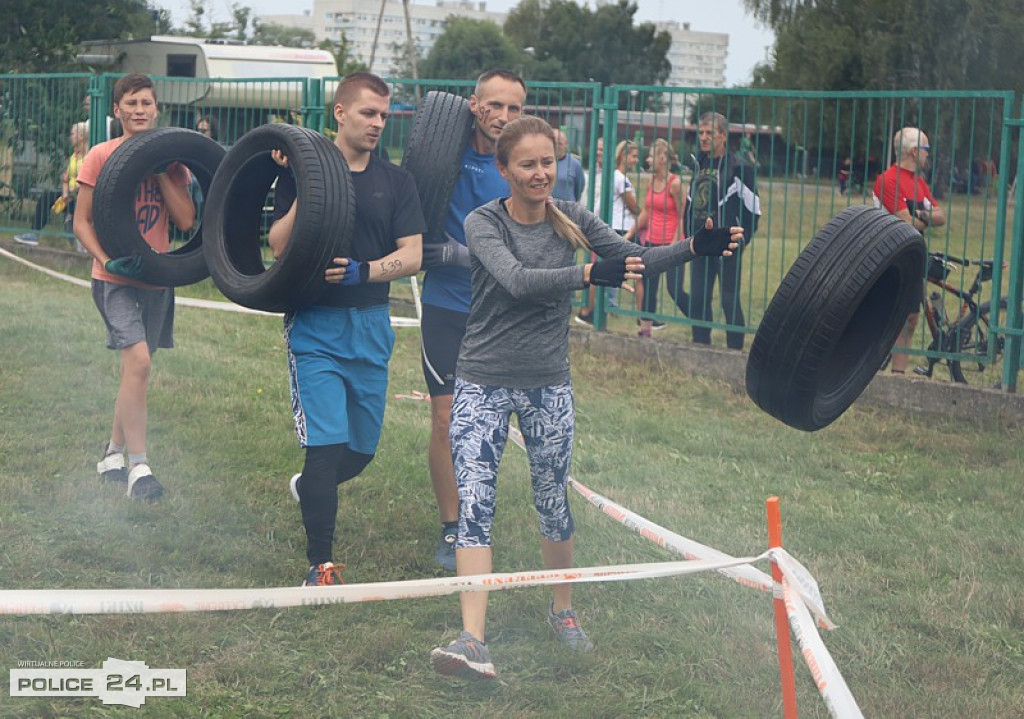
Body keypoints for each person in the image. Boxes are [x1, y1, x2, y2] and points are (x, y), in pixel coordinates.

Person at [428, 116, 743, 680]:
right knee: (476, 503)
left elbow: (630, 257)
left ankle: (563, 611)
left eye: (547, 161)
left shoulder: (573, 218)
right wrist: (589, 274)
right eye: (526, 164)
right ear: (504, 170)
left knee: (552, 498)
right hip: (482, 380)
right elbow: (517, 280)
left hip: (548, 382)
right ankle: (473, 639)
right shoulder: (483, 222)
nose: (540, 173)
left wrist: (696, 247)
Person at [269, 72, 424, 587]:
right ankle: (320, 565)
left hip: (372, 325)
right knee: (327, 446)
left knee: (360, 451)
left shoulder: (396, 181)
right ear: (340, 112)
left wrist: (367, 270)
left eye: (384, 115)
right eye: (367, 113)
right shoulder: (299, 169)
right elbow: (277, 244)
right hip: (316, 325)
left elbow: (413, 255)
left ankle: (311, 488)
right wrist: (305, 184)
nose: (378, 123)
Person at [417, 69, 526, 572]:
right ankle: (451, 524)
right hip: (445, 306)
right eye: (494, 105)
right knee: (444, 419)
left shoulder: (523, 168)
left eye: (514, 108)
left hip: (498, 314)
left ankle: (477, 518)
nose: (503, 117)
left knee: (485, 429)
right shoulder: (444, 159)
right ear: (472, 105)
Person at [74, 73, 196, 501]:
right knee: (140, 364)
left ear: (156, 108)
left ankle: (112, 454)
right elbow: (81, 221)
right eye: (131, 102)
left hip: (157, 279)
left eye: (147, 102)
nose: (140, 109)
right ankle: (140, 468)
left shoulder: (172, 161)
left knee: (135, 371)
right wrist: (106, 259)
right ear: (117, 110)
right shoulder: (100, 156)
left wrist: (161, 170)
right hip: (114, 279)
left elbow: (185, 221)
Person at [872, 126, 946, 375]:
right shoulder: (888, 180)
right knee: (886, 316)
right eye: (926, 149)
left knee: (911, 318)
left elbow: (941, 216)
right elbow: (906, 222)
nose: (928, 155)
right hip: (889, 258)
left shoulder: (919, 183)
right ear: (915, 151)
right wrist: (924, 217)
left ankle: (898, 376)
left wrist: (921, 215)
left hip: (913, 255)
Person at [685, 112, 761, 350]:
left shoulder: (740, 167)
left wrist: (742, 238)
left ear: (723, 136)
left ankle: (735, 350)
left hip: (728, 244)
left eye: (709, 133)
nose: (704, 138)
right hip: (700, 242)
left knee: (729, 299)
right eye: (701, 133)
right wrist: (689, 234)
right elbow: (690, 202)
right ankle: (700, 345)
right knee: (699, 298)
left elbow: (754, 209)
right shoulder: (700, 164)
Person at [574, 139, 640, 326]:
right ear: (623, 156)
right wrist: (644, 214)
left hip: (610, 227)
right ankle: (589, 311)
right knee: (600, 269)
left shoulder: (614, 177)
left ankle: (603, 307)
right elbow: (633, 206)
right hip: (617, 228)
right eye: (633, 156)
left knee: (606, 269)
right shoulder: (619, 178)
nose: (636, 160)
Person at [634, 138, 688, 337]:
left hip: (672, 244)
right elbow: (647, 211)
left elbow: (683, 215)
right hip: (651, 242)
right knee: (649, 287)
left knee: (674, 290)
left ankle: (699, 318)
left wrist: (675, 243)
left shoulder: (675, 184)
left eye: (651, 156)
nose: (647, 160)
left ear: (663, 158)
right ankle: (645, 332)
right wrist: (631, 233)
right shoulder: (650, 181)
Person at [62, 121, 89, 253]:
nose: (70, 137)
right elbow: (65, 179)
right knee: (46, 197)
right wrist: (65, 194)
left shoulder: (89, 156)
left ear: (82, 136)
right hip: (70, 194)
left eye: (73, 134)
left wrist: (75, 192)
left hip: (82, 193)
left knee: (78, 203)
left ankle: (82, 243)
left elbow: (89, 179)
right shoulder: (73, 156)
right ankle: (34, 234)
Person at [551, 127, 585, 202]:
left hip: (567, 210)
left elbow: (579, 188)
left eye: (560, 144)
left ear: (566, 144)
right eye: (554, 143)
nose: (556, 146)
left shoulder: (575, 164)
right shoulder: (543, 163)